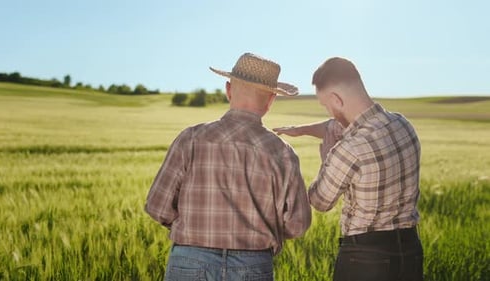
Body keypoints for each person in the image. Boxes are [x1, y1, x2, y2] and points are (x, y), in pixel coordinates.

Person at [145, 53, 312, 281]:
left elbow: (157, 207)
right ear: (271, 100)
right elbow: (297, 224)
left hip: (190, 259)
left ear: (228, 90)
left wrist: (195, 227)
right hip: (253, 265)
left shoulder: (190, 139)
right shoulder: (282, 152)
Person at [274, 57, 423, 281]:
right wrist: (300, 130)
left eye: (326, 105)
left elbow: (320, 201)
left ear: (336, 99)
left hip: (366, 259)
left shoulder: (349, 149)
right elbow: (334, 125)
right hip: (410, 251)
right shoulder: (402, 124)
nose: (328, 111)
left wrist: (326, 161)